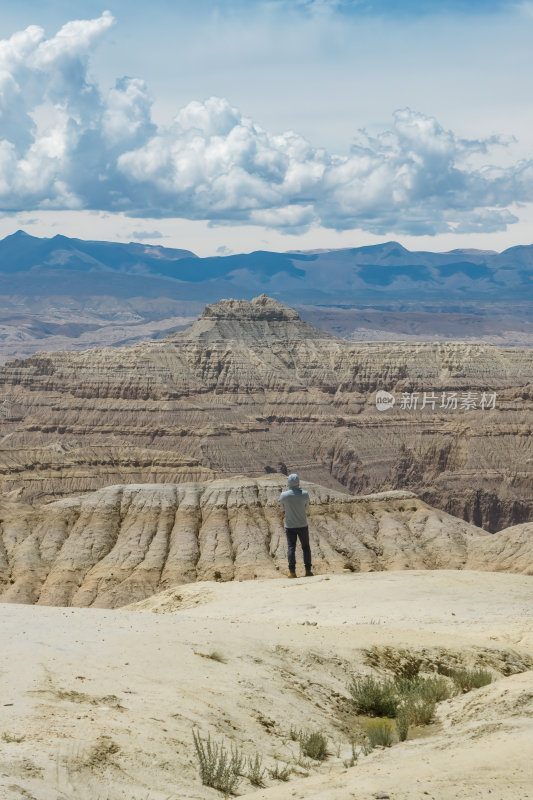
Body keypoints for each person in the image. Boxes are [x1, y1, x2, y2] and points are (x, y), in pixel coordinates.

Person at [279, 473, 313, 578]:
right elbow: (306, 508)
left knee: (291, 548)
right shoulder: (305, 494)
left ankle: (292, 572)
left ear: (289, 482)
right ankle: (308, 571)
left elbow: (282, 509)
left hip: (290, 526)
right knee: (306, 547)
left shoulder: (284, 495)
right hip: (303, 524)